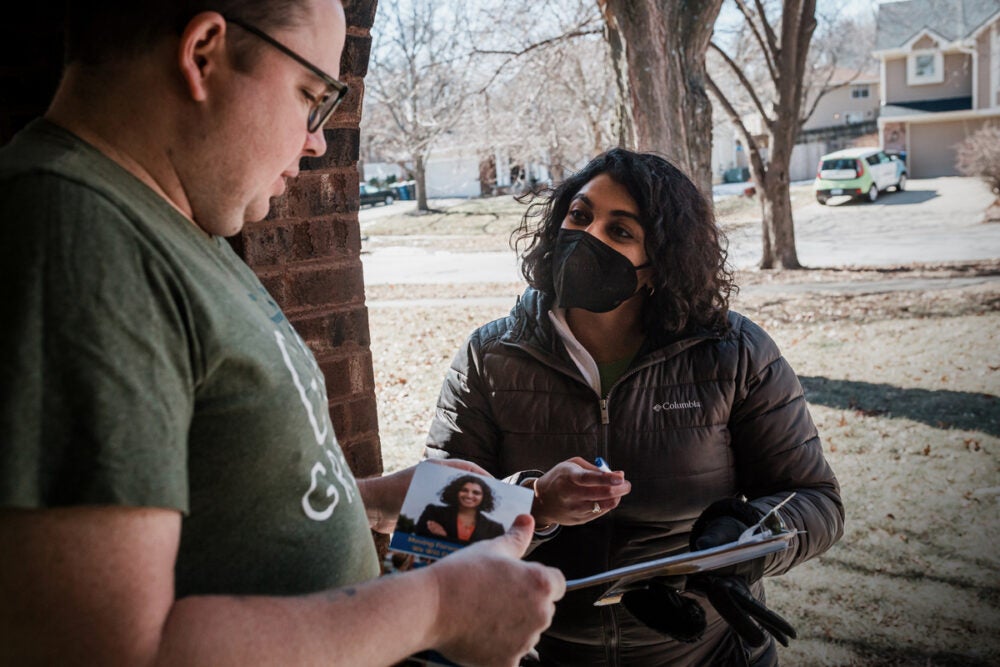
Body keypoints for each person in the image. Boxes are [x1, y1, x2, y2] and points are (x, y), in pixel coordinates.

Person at [0, 2, 565, 665]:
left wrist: (374, 501)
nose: (316, 140)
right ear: (203, 52)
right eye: (310, 96)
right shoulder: (73, 230)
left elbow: (197, 500)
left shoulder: (167, 219)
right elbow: (99, 648)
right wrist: (439, 605)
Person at [426, 148, 845, 665]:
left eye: (620, 231)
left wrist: (739, 547)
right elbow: (436, 530)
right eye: (580, 216)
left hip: (709, 653)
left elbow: (814, 498)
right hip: (539, 651)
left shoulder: (735, 353)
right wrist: (535, 503)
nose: (587, 237)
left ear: (657, 267)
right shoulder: (489, 356)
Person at [416, 474, 505, 544]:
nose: (469, 496)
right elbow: (418, 538)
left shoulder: (495, 529)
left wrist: (444, 537)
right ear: (456, 492)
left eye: (476, 493)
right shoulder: (434, 512)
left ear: (484, 497)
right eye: (464, 490)